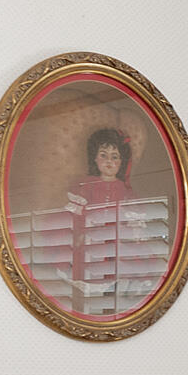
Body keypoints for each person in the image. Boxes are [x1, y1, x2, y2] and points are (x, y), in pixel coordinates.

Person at [67, 126, 137, 306]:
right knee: (91, 284)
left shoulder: (125, 190)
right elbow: (77, 216)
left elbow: (131, 219)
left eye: (115, 157)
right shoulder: (86, 186)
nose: (109, 161)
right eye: (103, 155)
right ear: (95, 158)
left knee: (116, 288)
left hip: (116, 244)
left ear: (121, 161)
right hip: (92, 243)